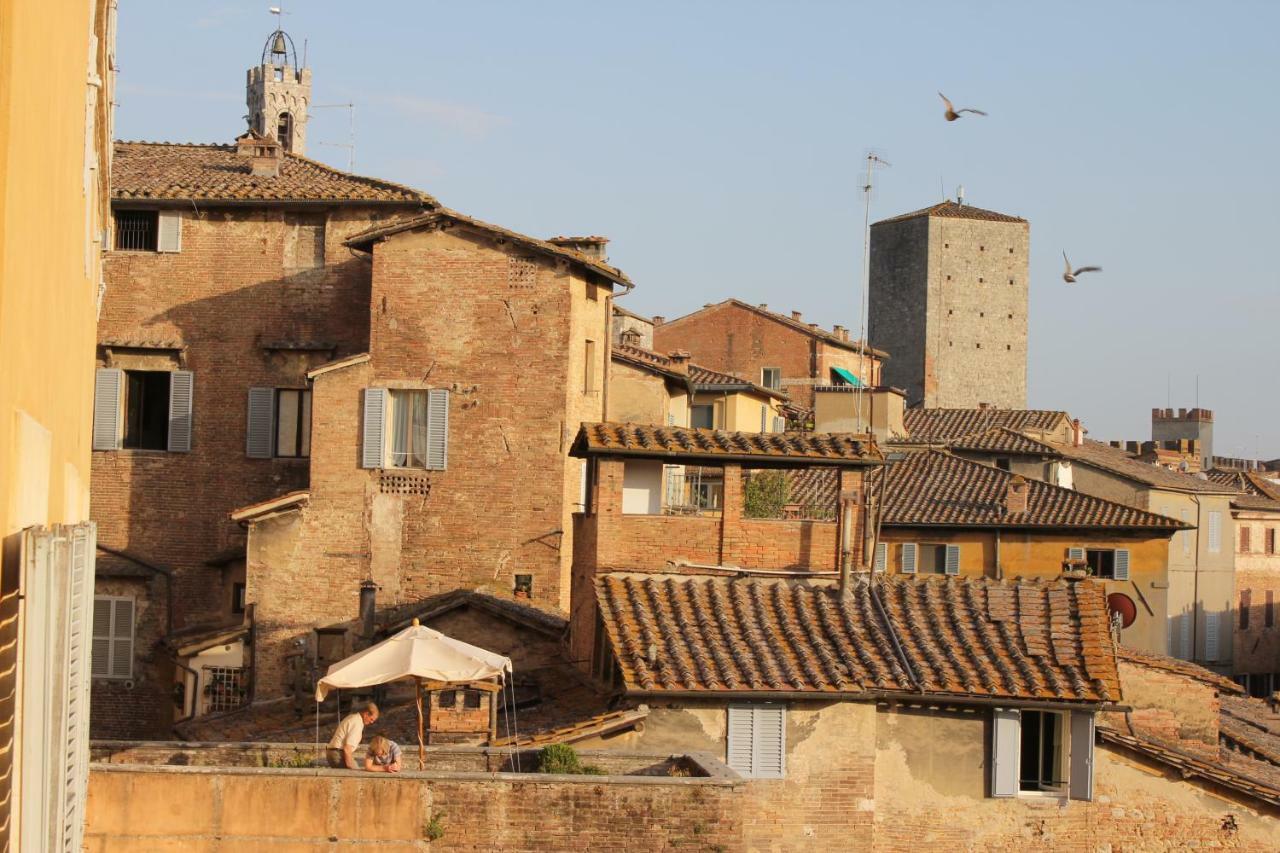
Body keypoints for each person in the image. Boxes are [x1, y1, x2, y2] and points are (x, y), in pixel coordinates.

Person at [327, 701, 378, 769]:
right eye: (371, 719)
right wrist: (351, 766)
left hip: (333, 752)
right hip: (338, 754)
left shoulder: (353, 718)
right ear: (366, 714)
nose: (371, 722)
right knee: (358, 776)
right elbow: (347, 748)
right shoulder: (357, 723)